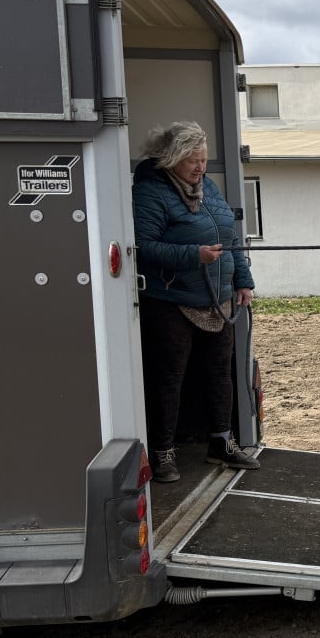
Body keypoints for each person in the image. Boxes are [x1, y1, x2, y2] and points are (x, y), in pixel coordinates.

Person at [132, 121, 260, 482]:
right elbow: (142, 248)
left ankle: (222, 441)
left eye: (203, 160)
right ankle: (163, 452)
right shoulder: (150, 193)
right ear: (172, 159)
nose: (201, 167)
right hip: (171, 300)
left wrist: (243, 280)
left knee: (221, 373)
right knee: (169, 378)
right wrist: (193, 255)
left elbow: (228, 236)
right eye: (193, 160)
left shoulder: (209, 188)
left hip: (217, 298)